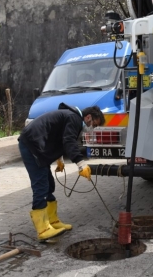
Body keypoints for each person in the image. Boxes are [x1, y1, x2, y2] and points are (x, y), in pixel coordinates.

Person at [18, 103, 104, 241]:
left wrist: (59, 159)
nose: (92, 128)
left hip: (37, 145)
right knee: (41, 184)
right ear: (88, 117)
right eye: (93, 124)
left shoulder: (70, 117)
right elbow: (68, 140)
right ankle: (43, 229)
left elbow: (58, 137)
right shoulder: (74, 119)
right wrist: (81, 163)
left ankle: (52, 221)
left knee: (49, 185)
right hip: (31, 145)